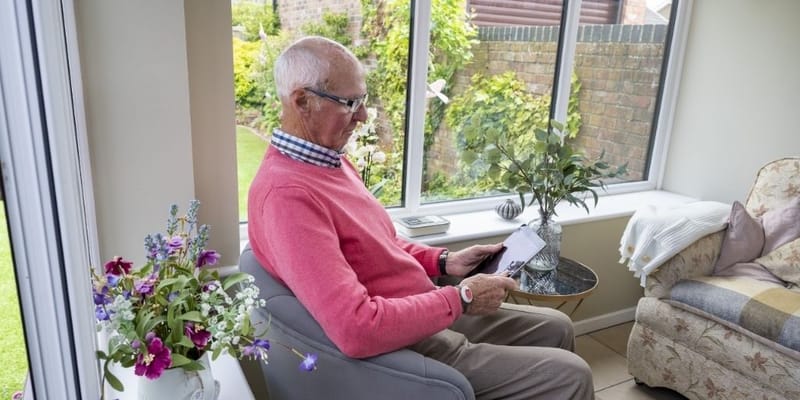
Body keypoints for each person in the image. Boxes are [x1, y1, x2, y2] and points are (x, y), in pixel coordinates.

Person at [247, 35, 594, 399]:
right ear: (302, 101)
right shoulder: (287, 197)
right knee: (572, 375)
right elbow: (355, 328)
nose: (362, 116)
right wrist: (461, 298)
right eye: (350, 103)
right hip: (408, 340)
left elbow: (377, 243)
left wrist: (444, 261)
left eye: (362, 100)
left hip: (425, 307)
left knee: (558, 326)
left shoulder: (329, 161)